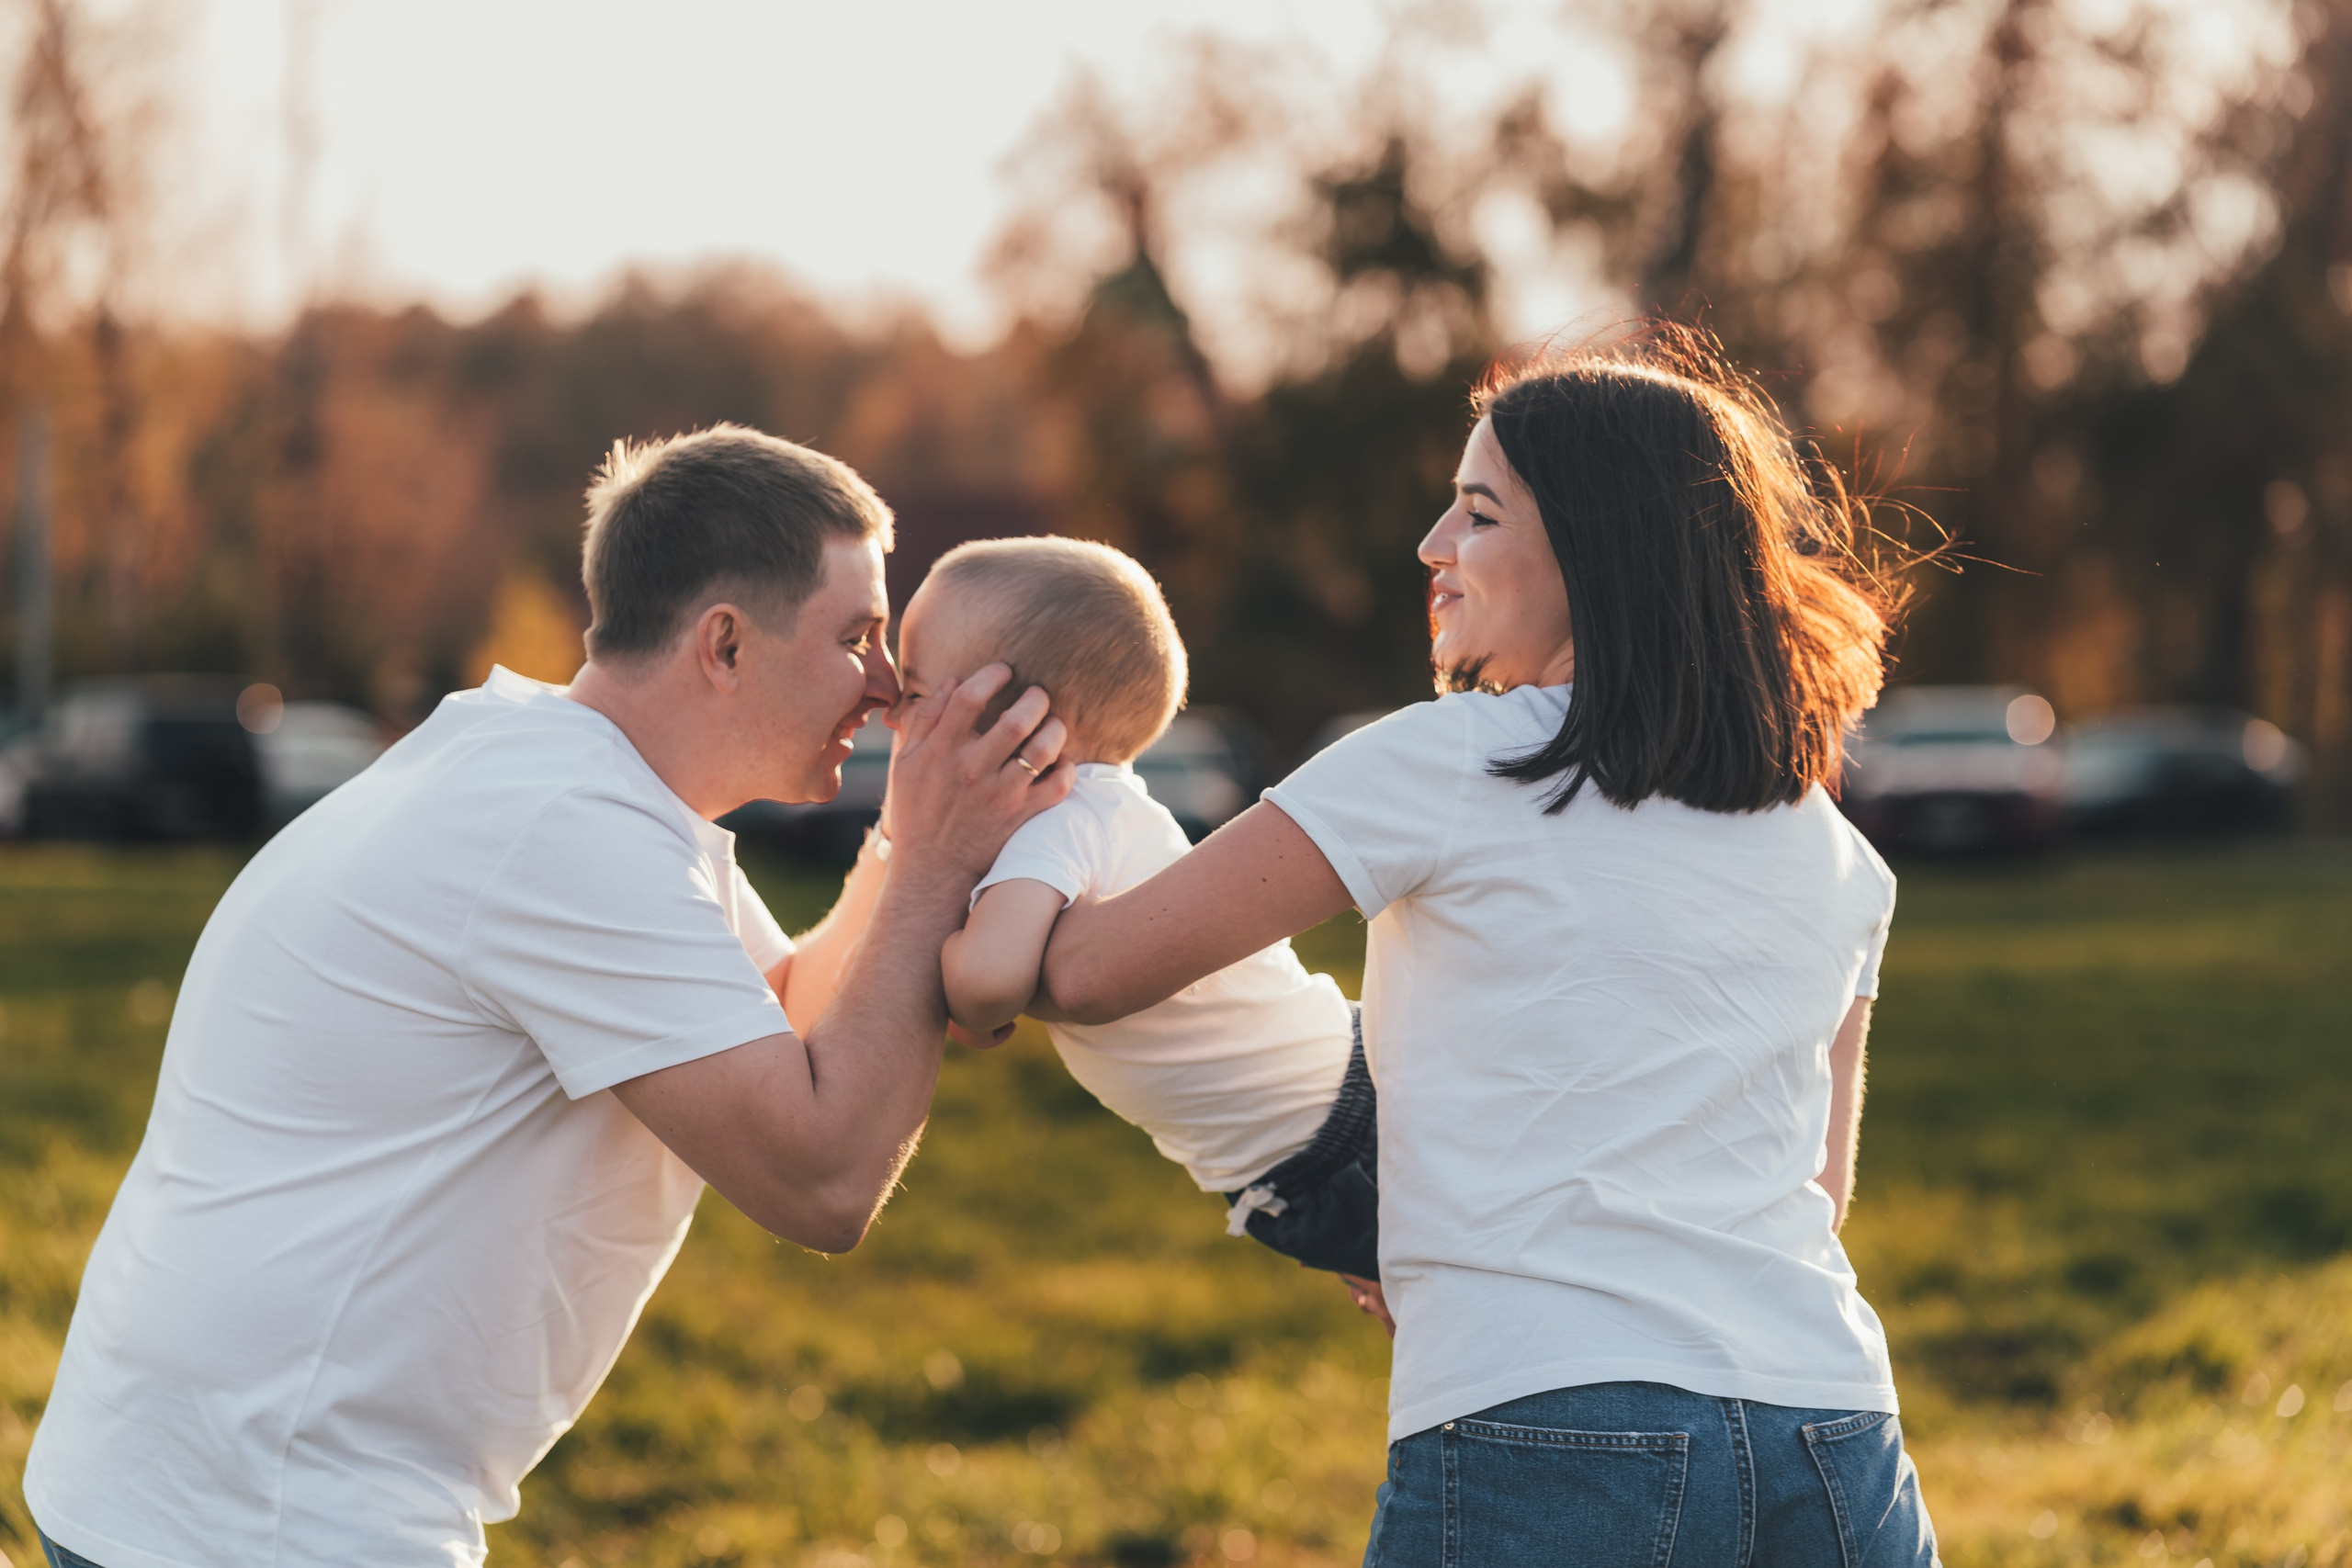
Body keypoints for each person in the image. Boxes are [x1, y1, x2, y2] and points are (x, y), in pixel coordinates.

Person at [24, 425, 1071, 1568]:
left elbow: (791, 1016)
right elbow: (821, 1178)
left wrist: (915, 835)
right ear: (725, 643)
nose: (886, 687)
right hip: (265, 1519)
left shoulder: (556, 778)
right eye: (856, 635)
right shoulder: (562, 831)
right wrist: (932, 865)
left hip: (187, 1486)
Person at [1035, 333, 1940, 1564]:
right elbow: (1816, 1191)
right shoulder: (1837, 854)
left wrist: (984, 826)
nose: (1432, 546)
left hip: (1548, 1421)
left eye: (1477, 512)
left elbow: (1088, 971)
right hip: (1833, 1435)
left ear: (1592, 551)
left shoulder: (1449, 760)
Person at [909, 536, 1377, 1280]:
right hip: (1327, 1122)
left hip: (1334, 1141)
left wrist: (942, 950)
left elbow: (987, 983)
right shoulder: (1099, 810)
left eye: (913, 693)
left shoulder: (1060, 821)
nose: (893, 716)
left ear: (1022, 717)